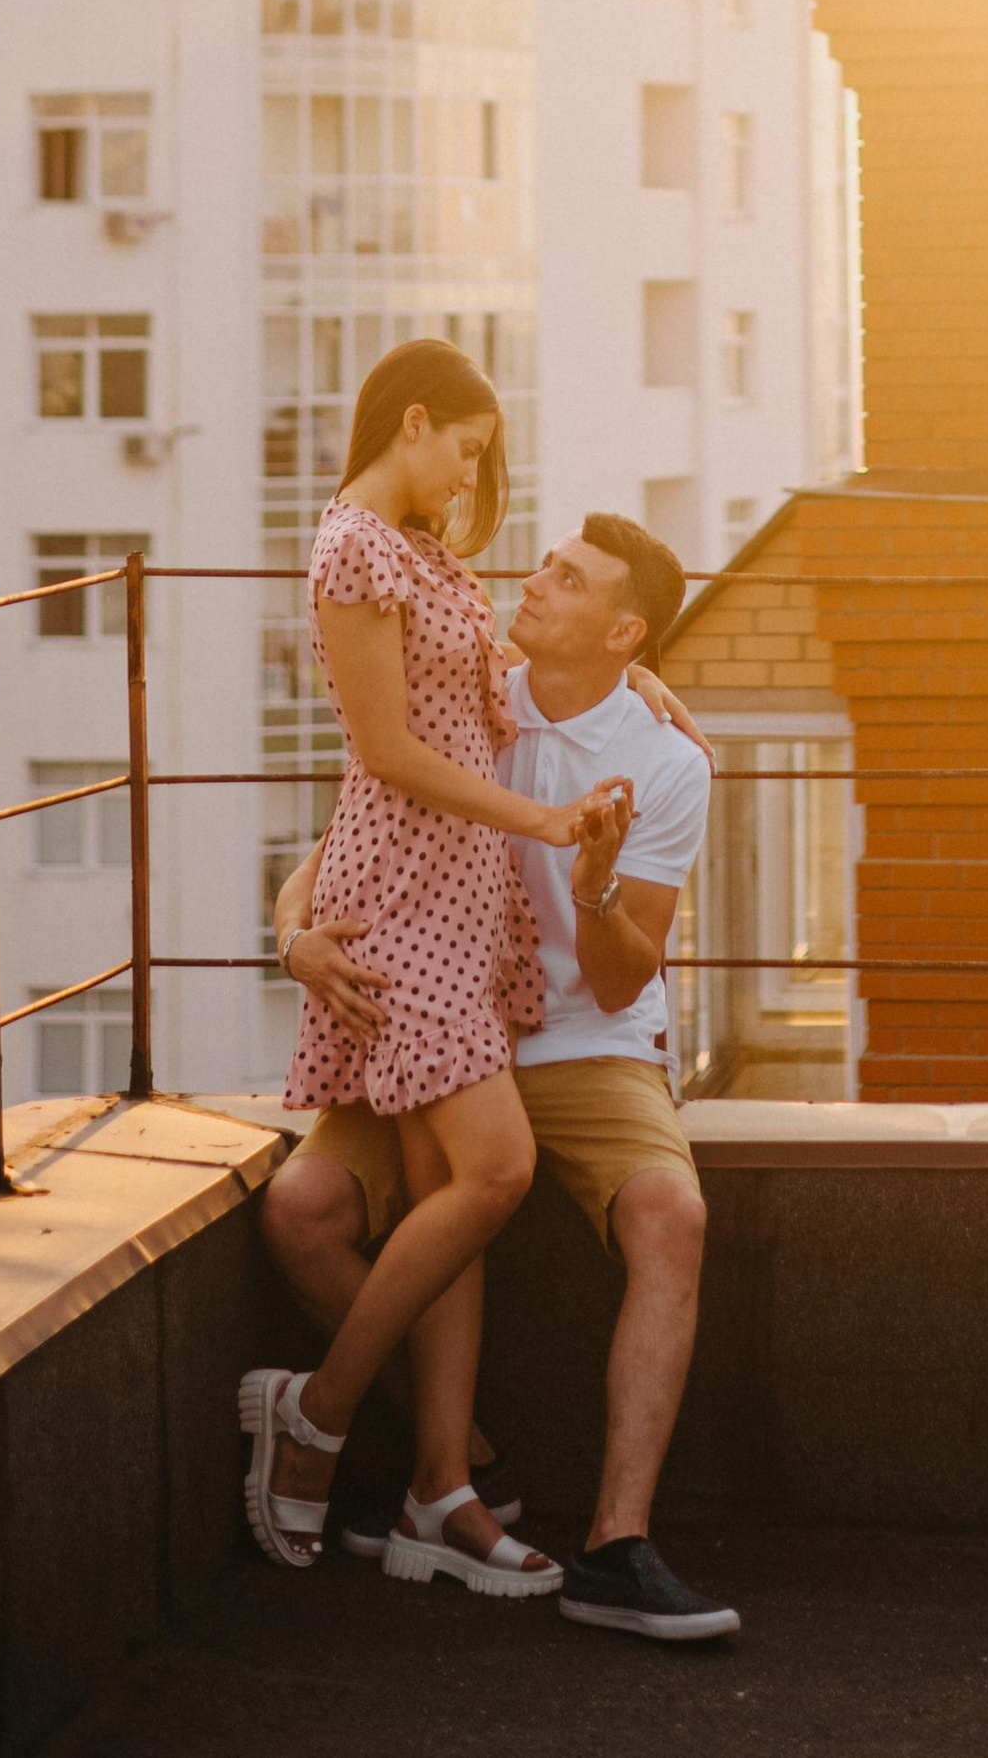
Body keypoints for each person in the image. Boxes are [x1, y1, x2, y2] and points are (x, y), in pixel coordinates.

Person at [268, 511, 742, 1644]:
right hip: (443, 1026)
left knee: (671, 1212)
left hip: (584, 1042)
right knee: (299, 1210)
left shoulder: (667, 762)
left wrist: (592, 885)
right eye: (545, 563)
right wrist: (292, 931)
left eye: (568, 579)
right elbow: (352, 837)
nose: (533, 580)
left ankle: (617, 1547)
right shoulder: (473, 690)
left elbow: (628, 983)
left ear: (623, 630)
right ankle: (455, 1459)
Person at [238, 341, 629, 1596]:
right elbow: (390, 752)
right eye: (466, 447)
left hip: (457, 906)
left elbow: (479, 689)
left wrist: (636, 673)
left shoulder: (414, 549)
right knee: (499, 1166)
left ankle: (435, 1494)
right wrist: (548, 825)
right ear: (416, 421)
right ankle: (316, 1413)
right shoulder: (354, 545)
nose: (472, 476)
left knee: (436, 1199)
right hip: (401, 895)